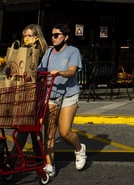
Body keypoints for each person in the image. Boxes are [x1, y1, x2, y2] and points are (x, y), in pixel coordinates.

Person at [39, 23, 87, 177]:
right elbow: (40, 69)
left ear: (65, 37)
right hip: (51, 93)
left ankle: (79, 149)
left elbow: (72, 72)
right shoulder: (48, 53)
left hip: (68, 94)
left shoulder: (73, 51)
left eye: (56, 35)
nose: (53, 38)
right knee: (49, 133)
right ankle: (49, 165)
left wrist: (59, 72)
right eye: (52, 35)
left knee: (65, 132)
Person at [14, 24, 48, 156]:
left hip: (36, 91)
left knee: (26, 124)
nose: (27, 38)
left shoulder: (42, 52)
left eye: (30, 36)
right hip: (25, 90)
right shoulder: (23, 51)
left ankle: (14, 156)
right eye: (25, 36)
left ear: (37, 37)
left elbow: (40, 70)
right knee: (32, 127)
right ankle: (39, 156)